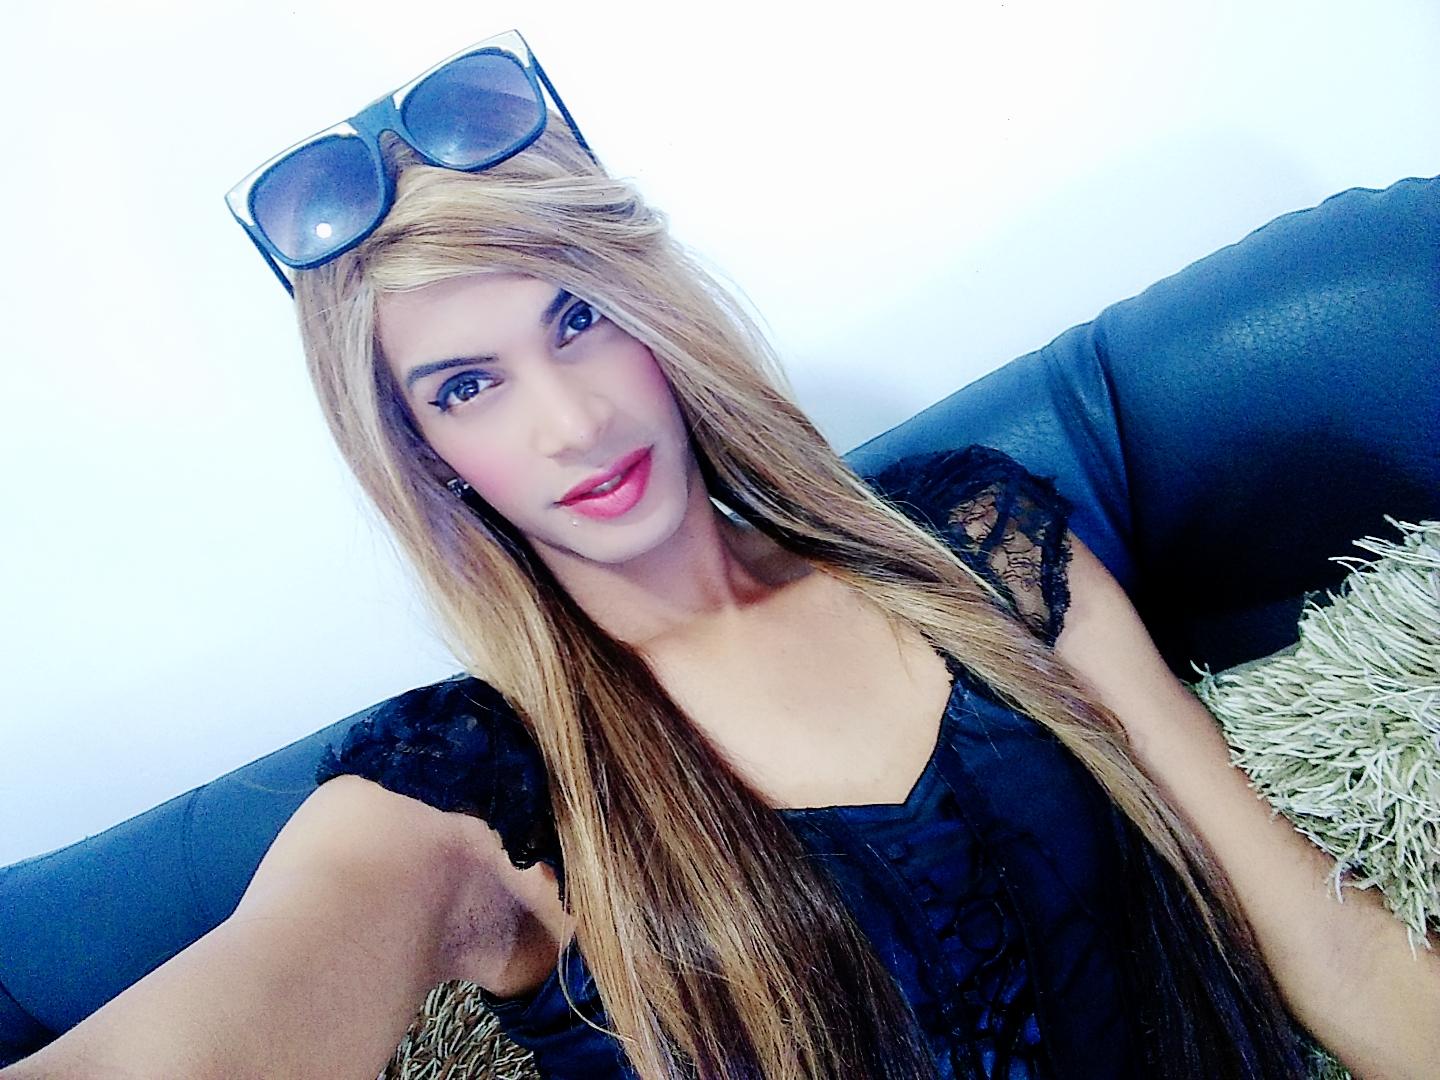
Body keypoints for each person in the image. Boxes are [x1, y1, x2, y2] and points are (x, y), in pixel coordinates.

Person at [6, 29, 1437, 1080]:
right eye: (467, 385)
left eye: (578, 319)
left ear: (654, 310)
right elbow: (221, 1020)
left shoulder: (979, 552)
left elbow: (1329, 947)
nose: (571, 423)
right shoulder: (467, 793)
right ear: (423, 449)